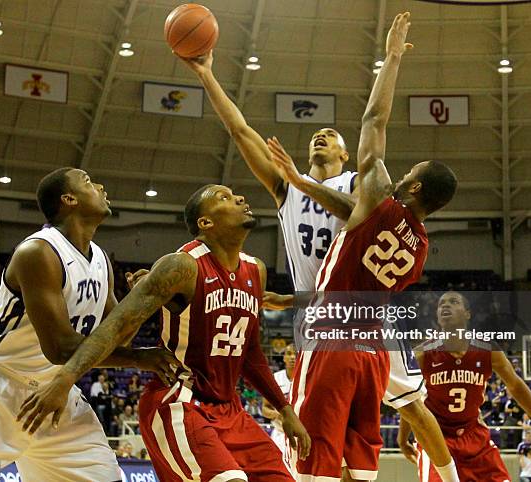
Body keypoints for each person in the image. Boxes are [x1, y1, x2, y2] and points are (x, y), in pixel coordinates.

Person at [181, 12, 458, 482]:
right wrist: (207, 74)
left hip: (354, 319)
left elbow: (362, 193)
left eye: (331, 135)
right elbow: (242, 131)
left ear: (346, 155)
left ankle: (448, 477)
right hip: (323, 311)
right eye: (317, 133)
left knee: (410, 407)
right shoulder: (287, 188)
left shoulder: (366, 187)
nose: (321, 135)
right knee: (342, 442)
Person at [268, 13, 460, 482]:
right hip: (373, 350)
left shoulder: (378, 196)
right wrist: (301, 183)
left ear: (411, 188)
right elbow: (353, 213)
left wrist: (392, 57)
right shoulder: (420, 249)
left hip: (330, 338)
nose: (402, 173)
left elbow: (374, 119)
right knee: (360, 464)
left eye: (409, 172)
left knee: (314, 465)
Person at [17, 184, 311, 481]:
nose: (240, 198)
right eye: (225, 197)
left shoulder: (255, 270)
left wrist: (285, 409)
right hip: (179, 402)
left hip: (230, 410)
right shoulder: (182, 266)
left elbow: (250, 352)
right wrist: (65, 378)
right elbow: (116, 324)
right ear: (205, 223)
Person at [0, 168, 177, 480]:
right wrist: (142, 358)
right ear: (69, 199)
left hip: (57, 394)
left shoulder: (100, 259)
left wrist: (146, 298)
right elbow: (60, 348)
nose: (101, 186)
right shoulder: (39, 251)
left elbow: (118, 338)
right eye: (89, 181)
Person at [398, 291, 531, 482]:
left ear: (467, 314)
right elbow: (409, 398)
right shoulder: (423, 354)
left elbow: (516, 386)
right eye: (441, 304)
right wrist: (402, 439)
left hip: (474, 434)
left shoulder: (488, 350)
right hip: (436, 437)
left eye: (453, 301)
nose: (445, 306)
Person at [262, 343, 296, 456]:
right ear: (284, 357)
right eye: (289, 354)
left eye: (295, 354)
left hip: (300, 434)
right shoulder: (275, 378)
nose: (292, 357)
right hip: (280, 434)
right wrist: (278, 415)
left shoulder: (307, 378)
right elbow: (264, 409)